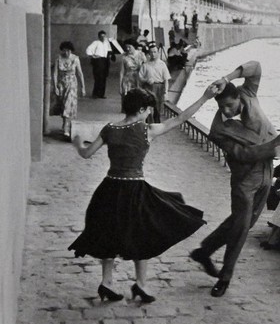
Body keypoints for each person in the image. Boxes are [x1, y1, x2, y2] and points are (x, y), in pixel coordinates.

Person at [68, 86, 218, 303]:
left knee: (108, 235)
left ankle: (106, 282)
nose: (150, 113)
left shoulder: (109, 128)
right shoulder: (147, 130)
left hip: (109, 189)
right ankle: (140, 284)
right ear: (140, 109)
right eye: (148, 109)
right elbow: (182, 118)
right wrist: (205, 96)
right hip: (134, 191)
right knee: (142, 235)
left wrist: (77, 143)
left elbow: (86, 153)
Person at [189, 60, 280, 297]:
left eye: (229, 105)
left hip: (267, 171)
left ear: (238, 97)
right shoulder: (217, 131)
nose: (226, 111)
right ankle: (224, 278)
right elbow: (244, 154)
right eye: (222, 108)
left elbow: (256, 67)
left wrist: (226, 77)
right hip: (244, 179)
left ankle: (204, 251)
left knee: (243, 223)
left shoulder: (248, 93)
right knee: (240, 228)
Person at [52, 41, 85, 137]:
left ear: (71, 51)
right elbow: (55, 73)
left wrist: (83, 87)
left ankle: (66, 127)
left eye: (68, 51)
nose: (66, 53)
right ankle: (65, 123)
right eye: (64, 51)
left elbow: (80, 73)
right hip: (61, 84)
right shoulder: (58, 58)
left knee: (68, 105)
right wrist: (55, 86)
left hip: (72, 84)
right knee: (63, 105)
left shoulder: (75, 59)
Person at [139, 42, 170, 123]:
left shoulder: (162, 64)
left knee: (157, 108)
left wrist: (166, 92)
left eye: (155, 52)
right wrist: (146, 80)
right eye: (151, 52)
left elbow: (166, 79)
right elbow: (140, 77)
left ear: (158, 53)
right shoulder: (145, 65)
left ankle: (157, 124)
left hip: (159, 87)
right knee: (147, 107)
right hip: (148, 87)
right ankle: (148, 124)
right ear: (149, 53)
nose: (153, 54)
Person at [85, 30, 113, 99]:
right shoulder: (96, 42)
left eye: (104, 36)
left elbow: (109, 50)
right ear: (99, 37)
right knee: (98, 77)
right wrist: (92, 56)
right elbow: (88, 49)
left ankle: (101, 94)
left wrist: (110, 55)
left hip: (105, 61)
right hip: (98, 61)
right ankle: (95, 94)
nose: (103, 38)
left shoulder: (107, 43)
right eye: (101, 36)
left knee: (104, 77)